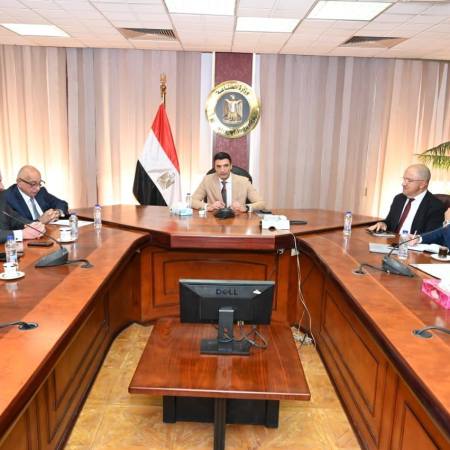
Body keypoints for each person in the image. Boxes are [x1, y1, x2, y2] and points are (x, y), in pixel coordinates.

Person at [368, 164, 445, 234]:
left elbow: (431, 236)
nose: (403, 183)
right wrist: (383, 224)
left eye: (409, 180)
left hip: (414, 245)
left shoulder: (435, 206)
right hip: (392, 242)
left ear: (422, 184)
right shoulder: (399, 199)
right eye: (404, 179)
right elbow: (389, 222)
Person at [191, 152, 265, 212]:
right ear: (215, 168)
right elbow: (192, 201)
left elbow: (261, 203)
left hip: (238, 220)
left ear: (231, 166)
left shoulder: (244, 181)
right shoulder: (207, 180)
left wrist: (246, 207)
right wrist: (208, 206)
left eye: (226, 165)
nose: (222, 170)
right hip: (214, 220)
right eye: (218, 166)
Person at [0, 170, 45, 243]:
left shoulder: (1, 199)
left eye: (1, 181)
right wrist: (22, 234)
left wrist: (36, 225)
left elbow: (15, 219)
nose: (2, 186)